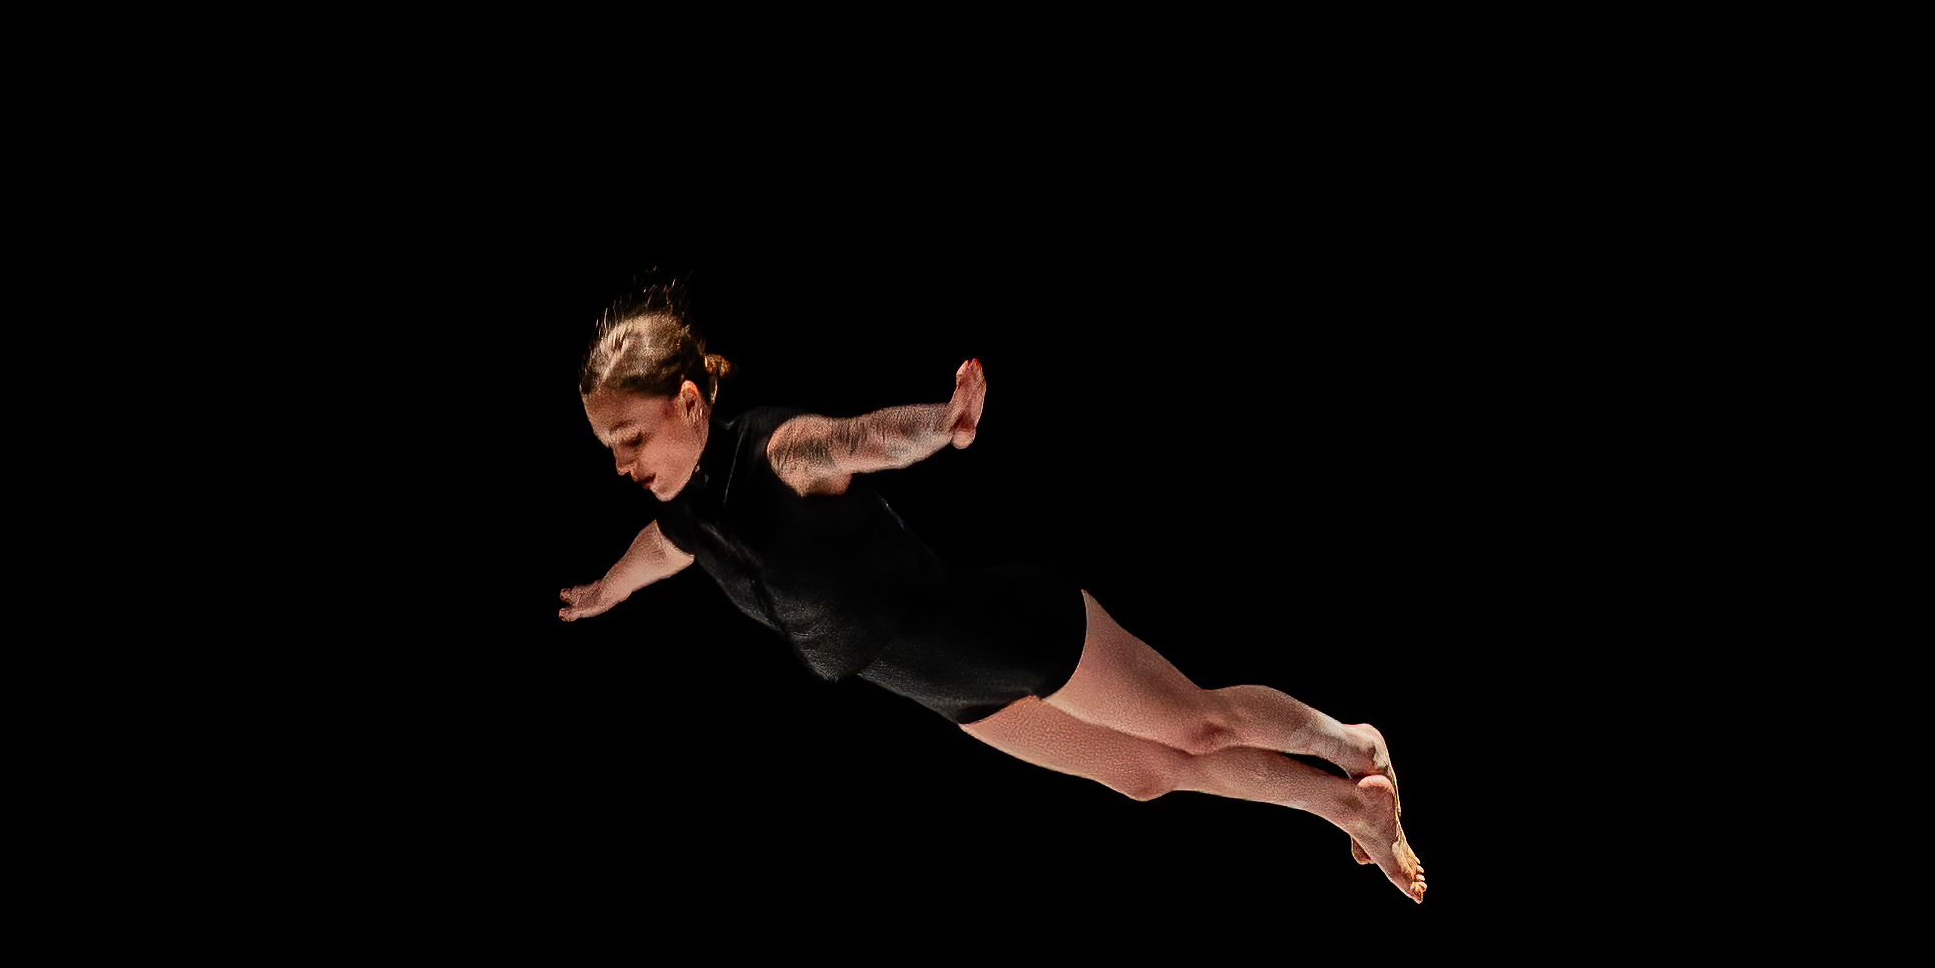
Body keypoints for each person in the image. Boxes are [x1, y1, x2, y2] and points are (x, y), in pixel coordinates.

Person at [554, 285, 1425, 904]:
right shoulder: (691, 512)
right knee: (1148, 774)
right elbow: (657, 550)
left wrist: (939, 425)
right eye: (608, 448)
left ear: (689, 402)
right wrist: (607, 591)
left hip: (1004, 630)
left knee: (1196, 723)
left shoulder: (772, 452)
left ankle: (1348, 743)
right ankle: (1346, 804)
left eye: (630, 436)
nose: (623, 463)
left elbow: (857, 439)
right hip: (947, 689)